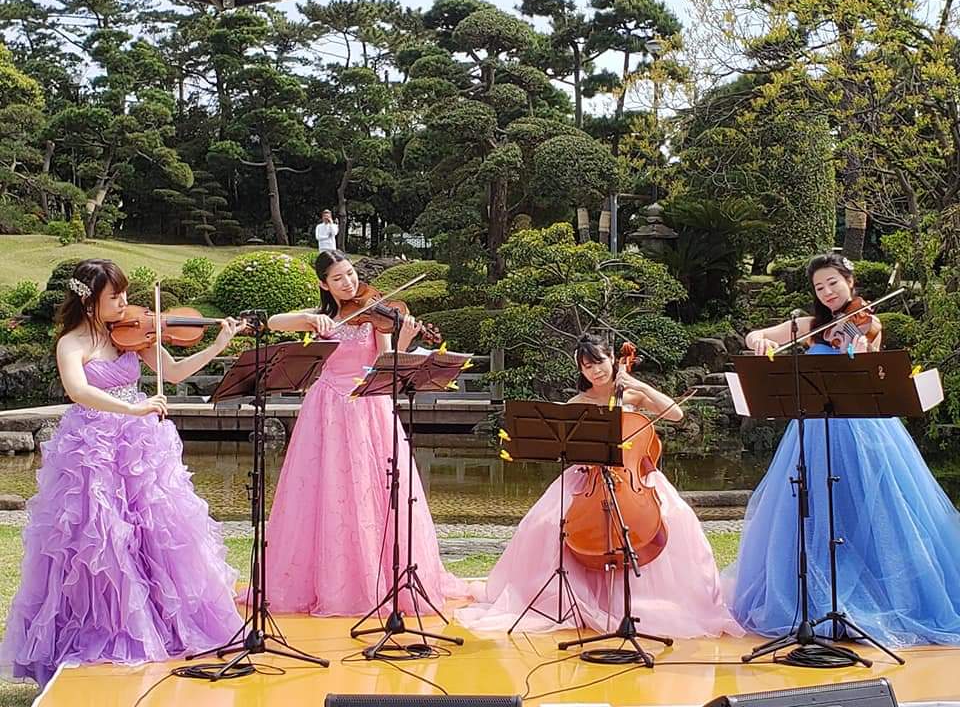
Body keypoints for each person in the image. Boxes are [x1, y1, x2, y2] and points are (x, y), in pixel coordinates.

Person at [0, 259, 246, 687]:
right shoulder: (71, 343)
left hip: (140, 446)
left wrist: (219, 344)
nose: (126, 304)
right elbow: (79, 391)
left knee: (156, 537)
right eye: (115, 297)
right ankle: (104, 631)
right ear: (89, 300)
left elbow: (174, 372)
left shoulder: (132, 337)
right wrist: (132, 406)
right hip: (92, 449)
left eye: (126, 295)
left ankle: (164, 628)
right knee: (100, 542)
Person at [726, 252, 960, 645]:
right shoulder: (809, 324)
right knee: (812, 509)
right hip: (815, 429)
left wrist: (857, 345)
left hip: (862, 429)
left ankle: (879, 602)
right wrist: (761, 339)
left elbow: (867, 353)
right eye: (820, 287)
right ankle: (812, 603)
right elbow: (755, 337)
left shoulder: (867, 320)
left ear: (850, 281)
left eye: (833, 282)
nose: (828, 291)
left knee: (872, 508)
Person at [456, 334, 744, 638]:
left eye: (599, 362)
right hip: (588, 478)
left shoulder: (635, 396)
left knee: (675, 517)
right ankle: (576, 597)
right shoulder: (577, 403)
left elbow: (676, 413)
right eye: (586, 366)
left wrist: (639, 385)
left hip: (634, 477)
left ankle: (641, 602)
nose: (594, 371)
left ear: (612, 360)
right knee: (546, 523)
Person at [262, 249, 465, 615]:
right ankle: (329, 584)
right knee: (326, 493)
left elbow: (383, 363)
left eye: (351, 274)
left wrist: (405, 338)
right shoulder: (321, 320)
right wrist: (310, 318)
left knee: (374, 490)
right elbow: (274, 322)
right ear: (324, 284)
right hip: (326, 408)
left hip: (368, 405)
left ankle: (382, 578)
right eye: (338, 278)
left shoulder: (374, 317)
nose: (349, 283)